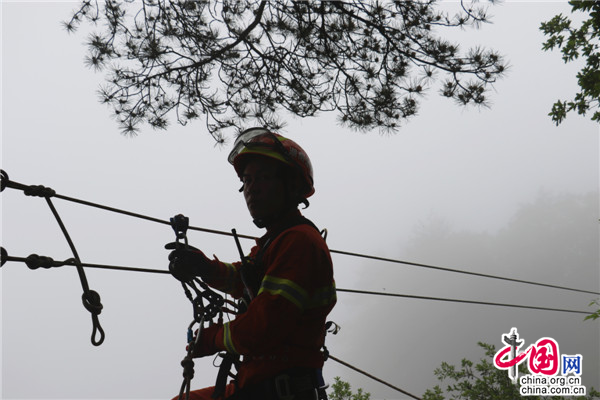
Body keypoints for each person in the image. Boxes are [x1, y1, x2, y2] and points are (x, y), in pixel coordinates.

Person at [168, 128, 337, 400]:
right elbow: (244, 279)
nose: (252, 189)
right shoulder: (274, 241)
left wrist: (210, 338)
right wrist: (204, 267)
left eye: (264, 178)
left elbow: (263, 328)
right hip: (258, 384)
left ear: (292, 186)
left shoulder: (299, 242)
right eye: (247, 180)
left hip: (282, 389)